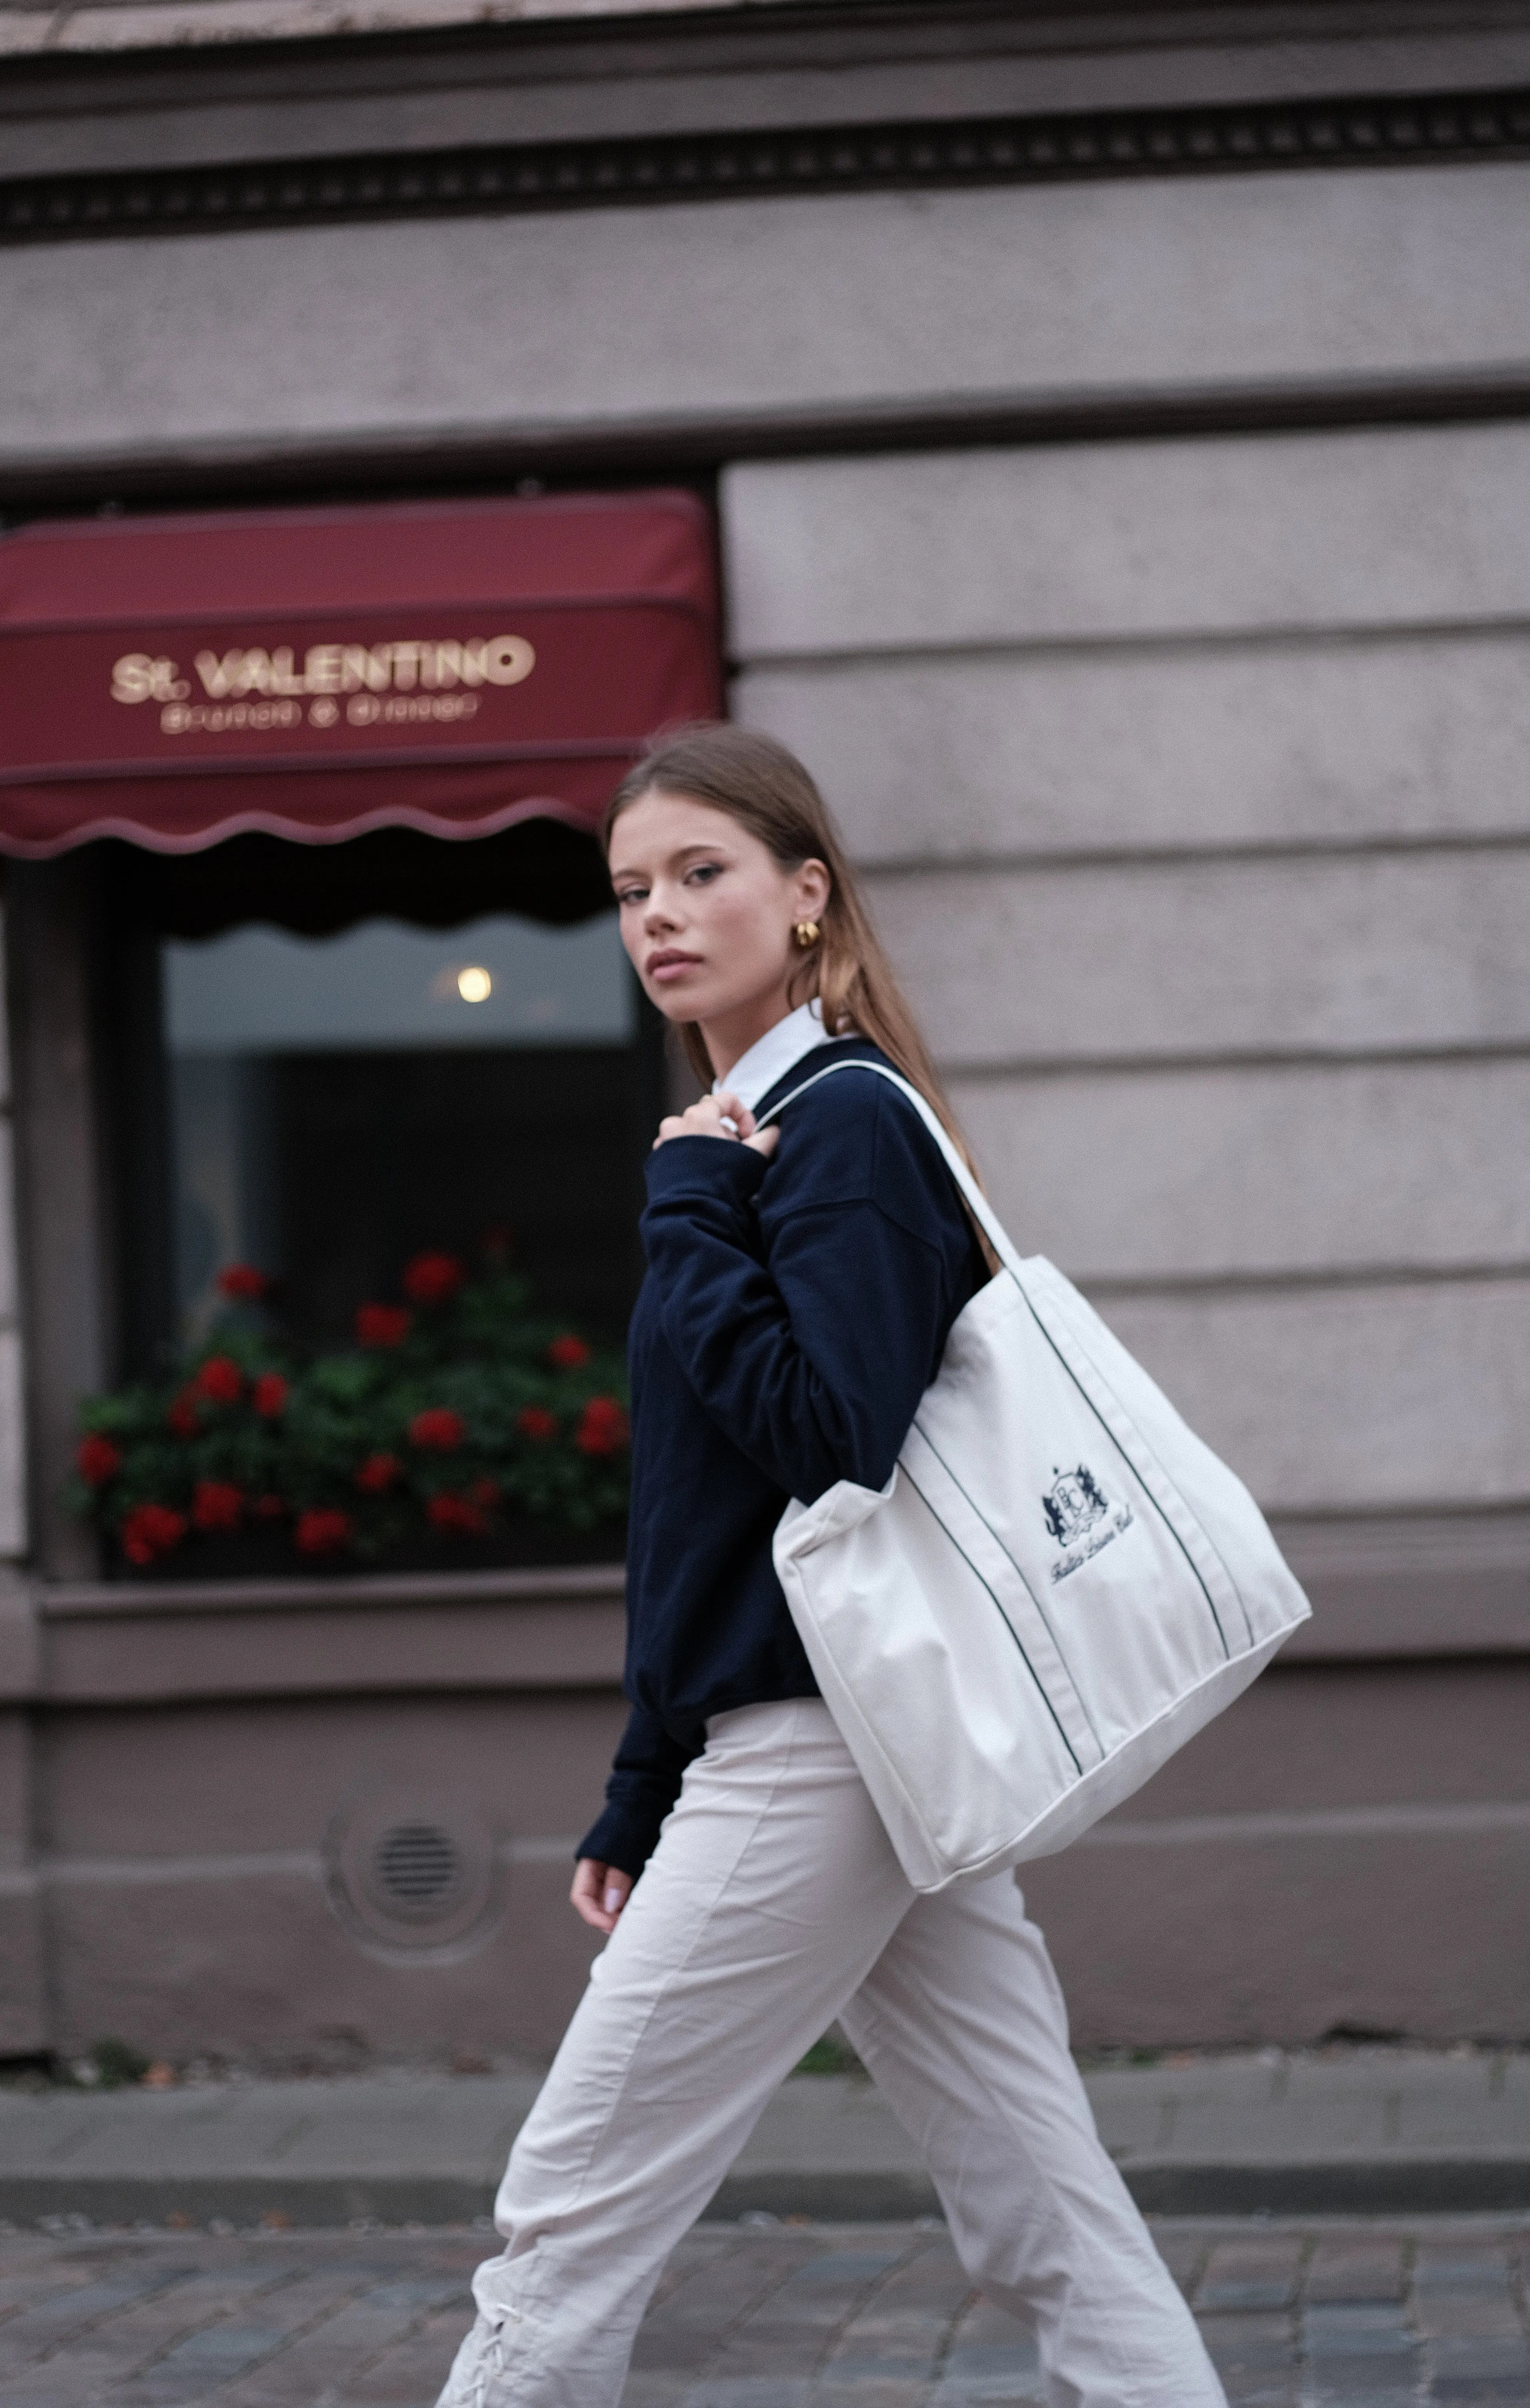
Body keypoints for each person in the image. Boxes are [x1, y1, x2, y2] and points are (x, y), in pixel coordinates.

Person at [436, 725, 1225, 2408]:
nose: (657, 915)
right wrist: (645, 1778)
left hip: (816, 1749)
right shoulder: (748, 1131)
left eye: (698, 873)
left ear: (806, 895)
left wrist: (686, 1211)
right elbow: (705, 1516)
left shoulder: (837, 1123)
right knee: (1043, 2203)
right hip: (851, 1733)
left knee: (569, 2215)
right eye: (630, 890)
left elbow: (829, 1437)